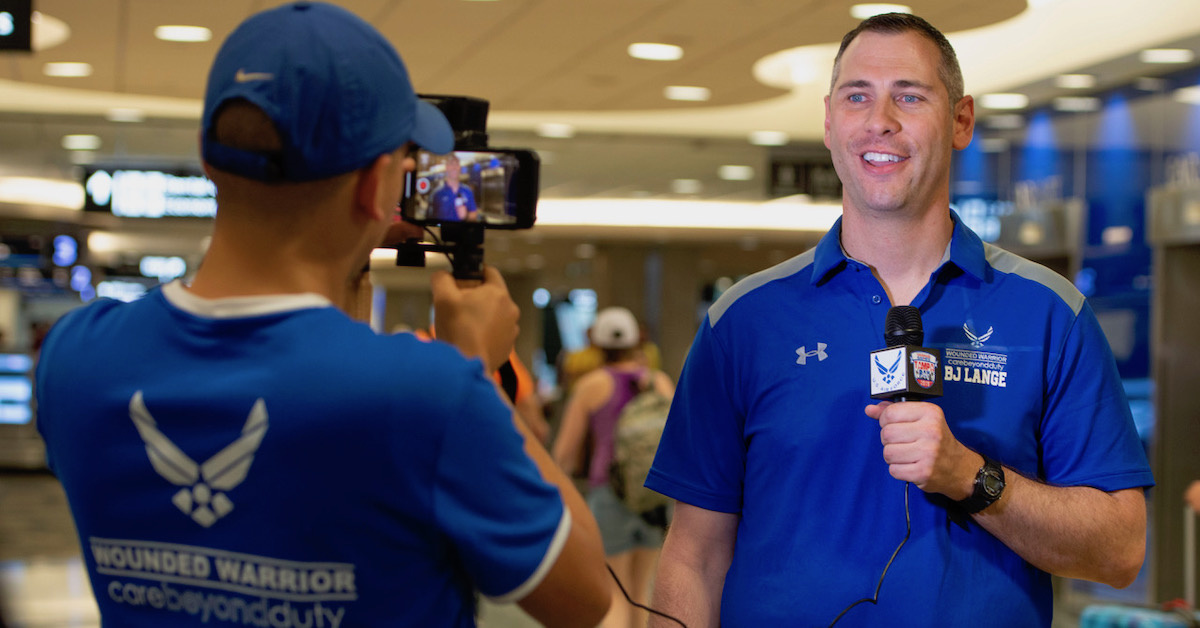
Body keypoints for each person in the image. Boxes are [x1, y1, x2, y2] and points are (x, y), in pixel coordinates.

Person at [33, 3, 608, 627]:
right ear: (376, 187)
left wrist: (347, 264)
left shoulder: (74, 356)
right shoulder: (432, 393)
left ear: (207, 157)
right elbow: (583, 600)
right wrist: (477, 368)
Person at [646, 13, 1152, 627]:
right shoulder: (742, 322)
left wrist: (973, 477)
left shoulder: (1051, 313)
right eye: (857, 97)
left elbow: (1120, 551)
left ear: (961, 119)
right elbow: (694, 556)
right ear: (829, 123)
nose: (880, 119)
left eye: (909, 96)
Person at [552, 306, 675, 628]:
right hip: (653, 495)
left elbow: (564, 453)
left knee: (616, 593)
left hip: (609, 492)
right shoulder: (659, 382)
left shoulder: (591, 385)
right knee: (642, 591)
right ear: (637, 342)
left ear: (597, 345)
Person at [431, 153, 479, 222]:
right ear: (446, 167)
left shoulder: (467, 191)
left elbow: (474, 215)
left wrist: (466, 215)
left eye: (456, 164)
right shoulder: (437, 194)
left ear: (459, 167)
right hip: (445, 231)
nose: (454, 167)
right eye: (451, 164)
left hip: (464, 231)